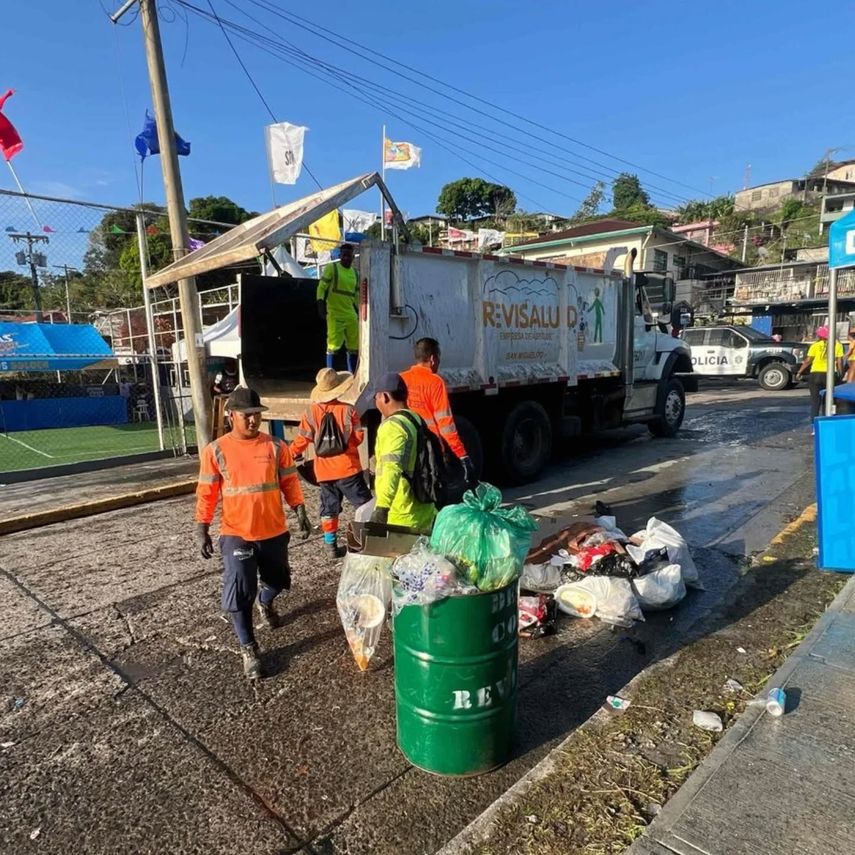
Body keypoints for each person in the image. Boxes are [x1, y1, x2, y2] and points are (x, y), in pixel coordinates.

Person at [195, 386, 312, 680]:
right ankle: (249, 648)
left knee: (279, 581)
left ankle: (266, 600)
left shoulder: (275, 447)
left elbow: (289, 482)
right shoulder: (216, 450)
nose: (252, 421)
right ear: (230, 415)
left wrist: (300, 510)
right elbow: (206, 492)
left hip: (273, 532)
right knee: (239, 589)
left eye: (256, 416)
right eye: (246, 416)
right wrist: (202, 528)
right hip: (237, 534)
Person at [290, 368, 372, 559]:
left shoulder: (310, 413)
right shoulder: (348, 410)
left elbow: (301, 441)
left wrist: (288, 455)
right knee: (364, 505)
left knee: (329, 509)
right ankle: (363, 544)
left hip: (324, 473)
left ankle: (331, 546)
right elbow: (358, 437)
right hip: (348, 468)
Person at [400, 338, 476, 486]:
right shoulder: (435, 382)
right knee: (433, 494)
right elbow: (446, 425)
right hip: (429, 448)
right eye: (439, 357)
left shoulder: (401, 378)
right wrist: (462, 456)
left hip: (405, 445)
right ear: (433, 359)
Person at [369, 372, 437, 533]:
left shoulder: (392, 427)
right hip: (423, 509)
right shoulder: (415, 419)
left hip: (401, 514)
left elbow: (391, 469)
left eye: (376, 398)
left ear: (385, 397)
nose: (376, 403)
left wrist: (382, 508)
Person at [317, 243, 359, 373]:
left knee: (354, 346)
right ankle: (329, 375)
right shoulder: (332, 268)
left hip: (350, 314)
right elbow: (321, 287)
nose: (346, 258)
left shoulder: (355, 274)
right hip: (335, 313)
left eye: (349, 256)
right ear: (340, 256)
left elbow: (356, 295)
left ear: (353, 257)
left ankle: (353, 375)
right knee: (333, 346)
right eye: (344, 255)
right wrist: (320, 303)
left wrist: (361, 310)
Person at [795, 326, 845, 426]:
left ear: (819, 335)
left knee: (815, 402)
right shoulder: (837, 345)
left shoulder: (815, 345)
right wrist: (841, 373)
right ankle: (827, 423)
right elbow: (840, 361)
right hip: (830, 374)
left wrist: (800, 372)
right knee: (828, 401)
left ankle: (815, 426)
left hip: (815, 374)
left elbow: (808, 360)